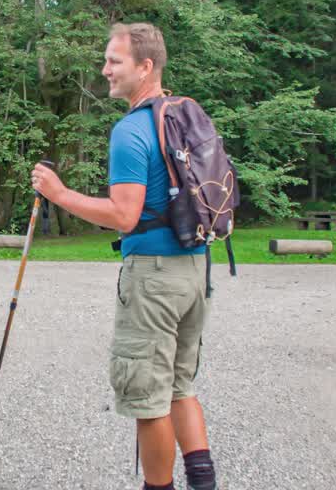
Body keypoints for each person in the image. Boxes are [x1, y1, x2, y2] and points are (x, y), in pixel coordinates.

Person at [31, 24, 217, 490]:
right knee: (180, 388)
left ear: (145, 67)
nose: (105, 70)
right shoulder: (182, 114)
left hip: (153, 277)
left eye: (115, 61)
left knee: (148, 400)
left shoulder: (132, 129)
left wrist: (59, 193)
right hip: (194, 268)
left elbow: (124, 215)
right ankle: (204, 485)